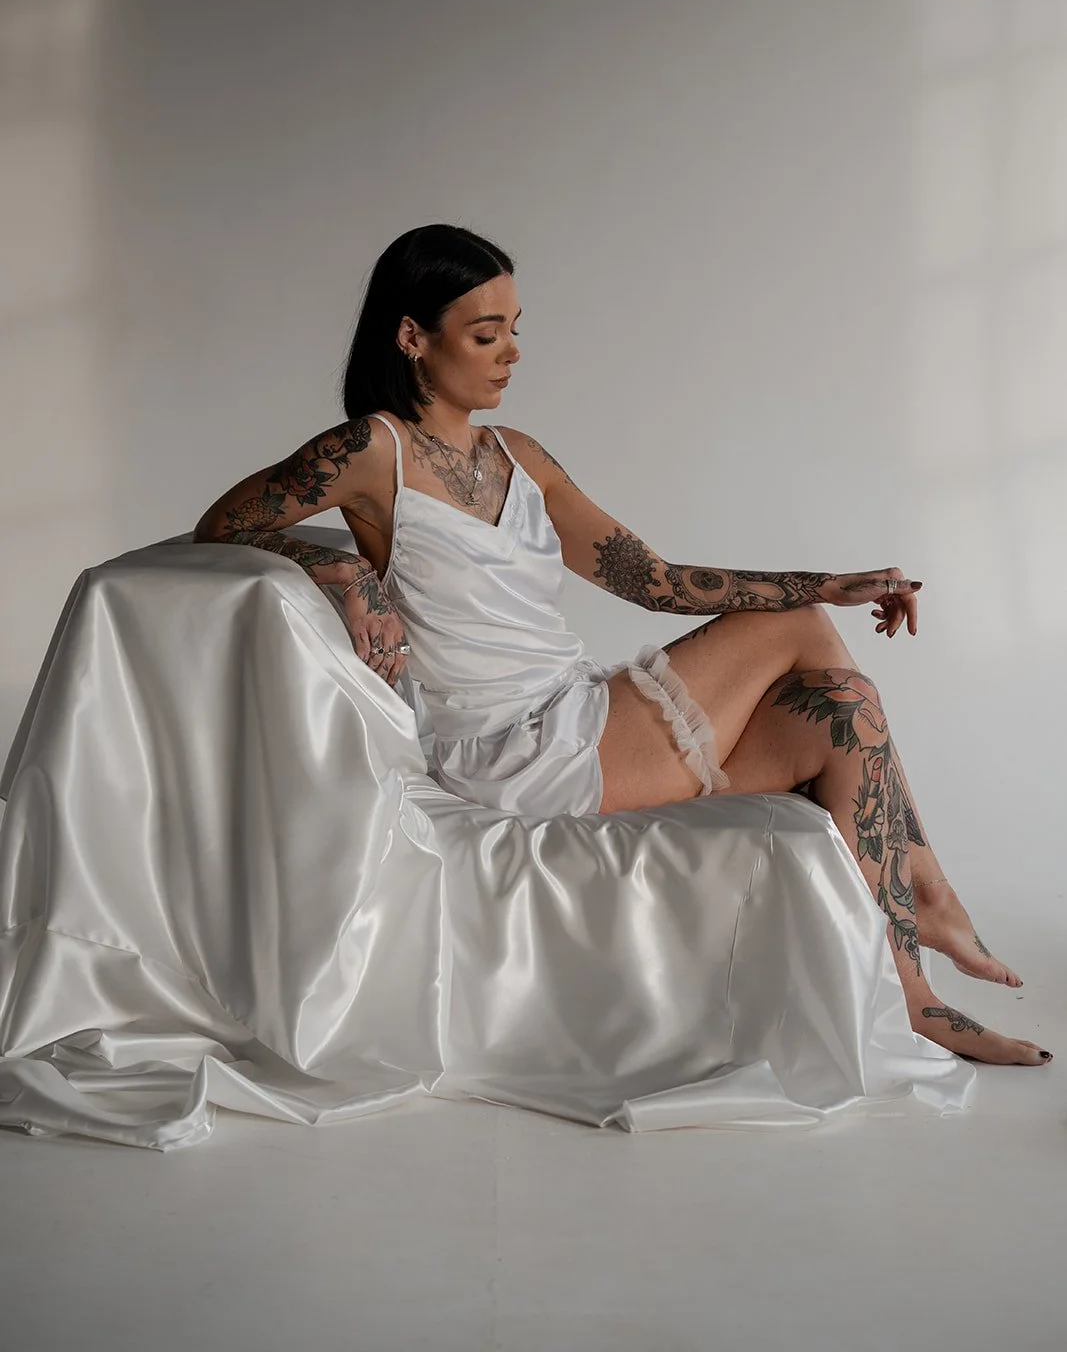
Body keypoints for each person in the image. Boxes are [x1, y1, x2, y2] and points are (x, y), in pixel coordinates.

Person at [194, 223, 1052, 1071]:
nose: (511, 353)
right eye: (486, 334)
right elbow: (223, 525)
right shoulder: (366, 450)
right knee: (796, 625)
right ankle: (927, 888)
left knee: (844, 706)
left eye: (515, 329)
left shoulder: (518, 457)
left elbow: (654, 579)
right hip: (507, 748)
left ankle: (913, 993)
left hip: (577, 710)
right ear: (412, 337)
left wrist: (824, 583)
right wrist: (343, 571)